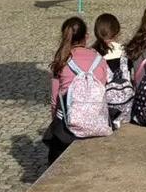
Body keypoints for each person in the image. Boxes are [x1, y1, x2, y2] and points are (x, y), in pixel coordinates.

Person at [45, 16, 110, 163]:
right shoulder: (99, 59)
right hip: (96, 120)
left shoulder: (61, 61)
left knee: (53, 154)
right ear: (86, 37)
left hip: (70, 125)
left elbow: (55, 100)